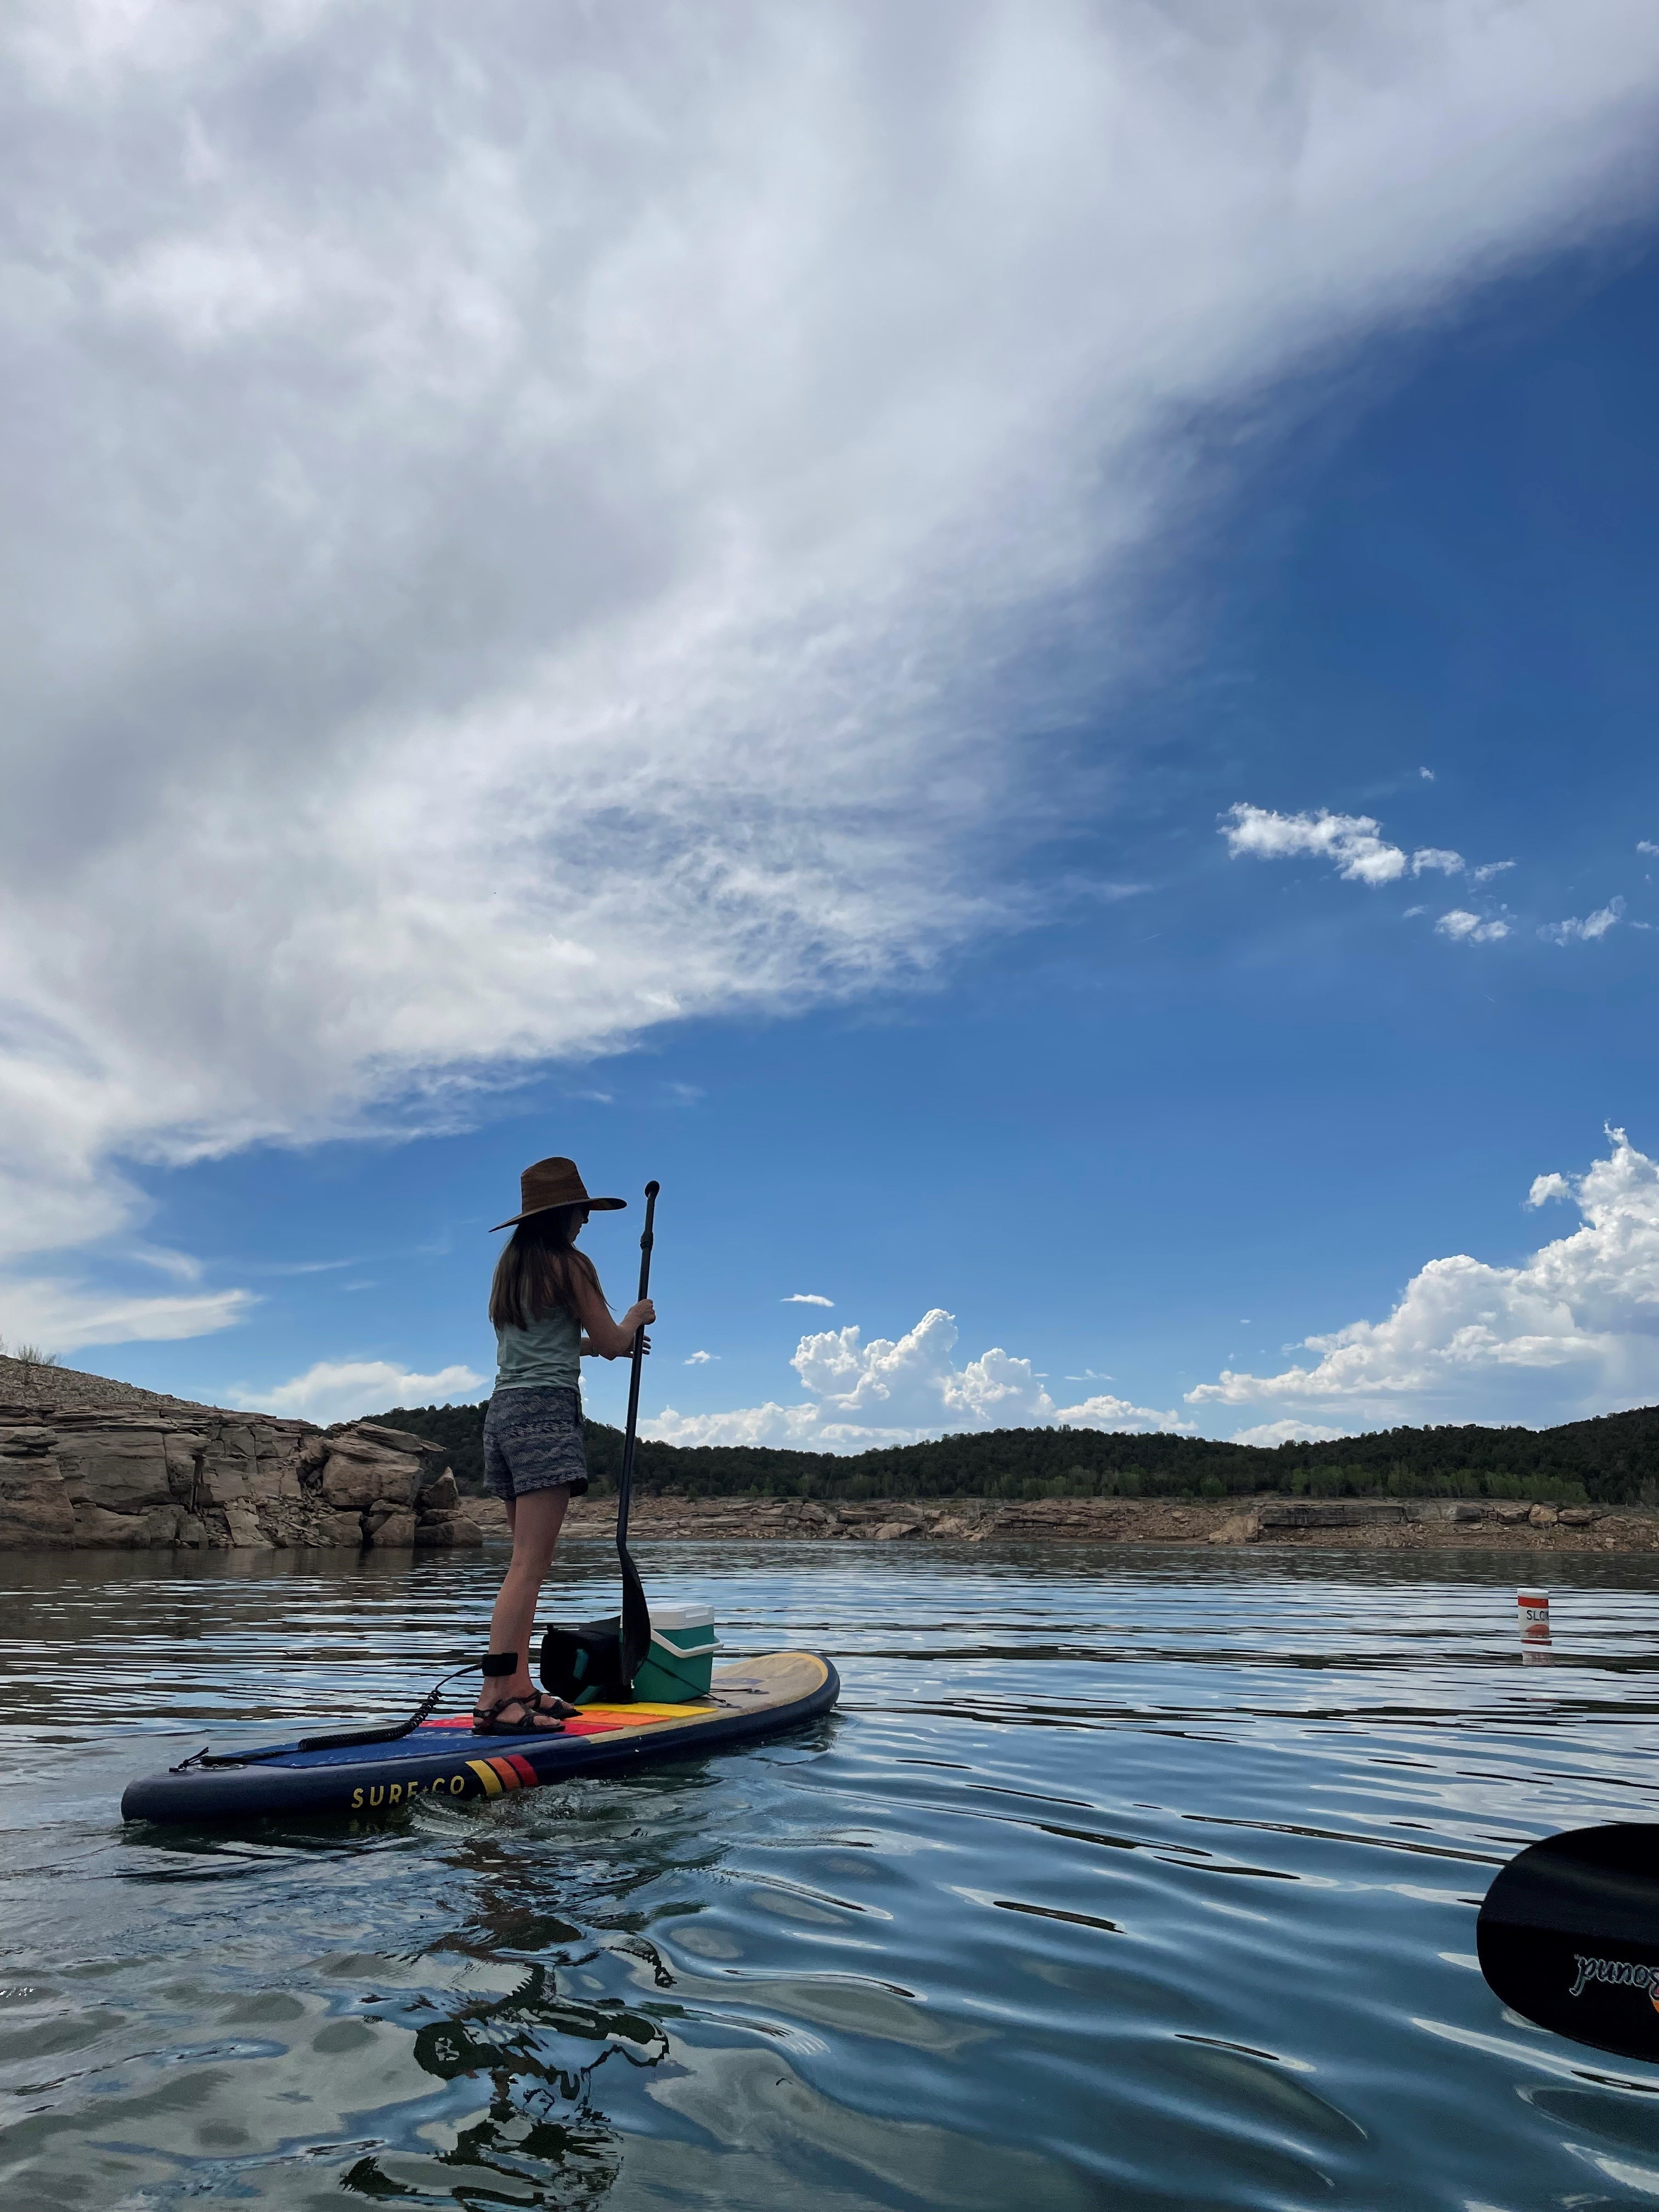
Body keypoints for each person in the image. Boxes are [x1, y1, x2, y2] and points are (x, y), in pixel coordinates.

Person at [473, 1156, 655, 1735]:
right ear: (563, 1214)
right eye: (581, 1212)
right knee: (530, 1564)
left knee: (523, 1561)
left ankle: (520, 1685)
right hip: (546, 1417)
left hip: (502, 1415)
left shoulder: (513, 1272)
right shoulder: (571, 1264)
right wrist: (632, 1320)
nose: (586, 1222)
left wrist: (602, 1344)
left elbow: (548, 1343)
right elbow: (606, 1340)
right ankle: (495, 1698)